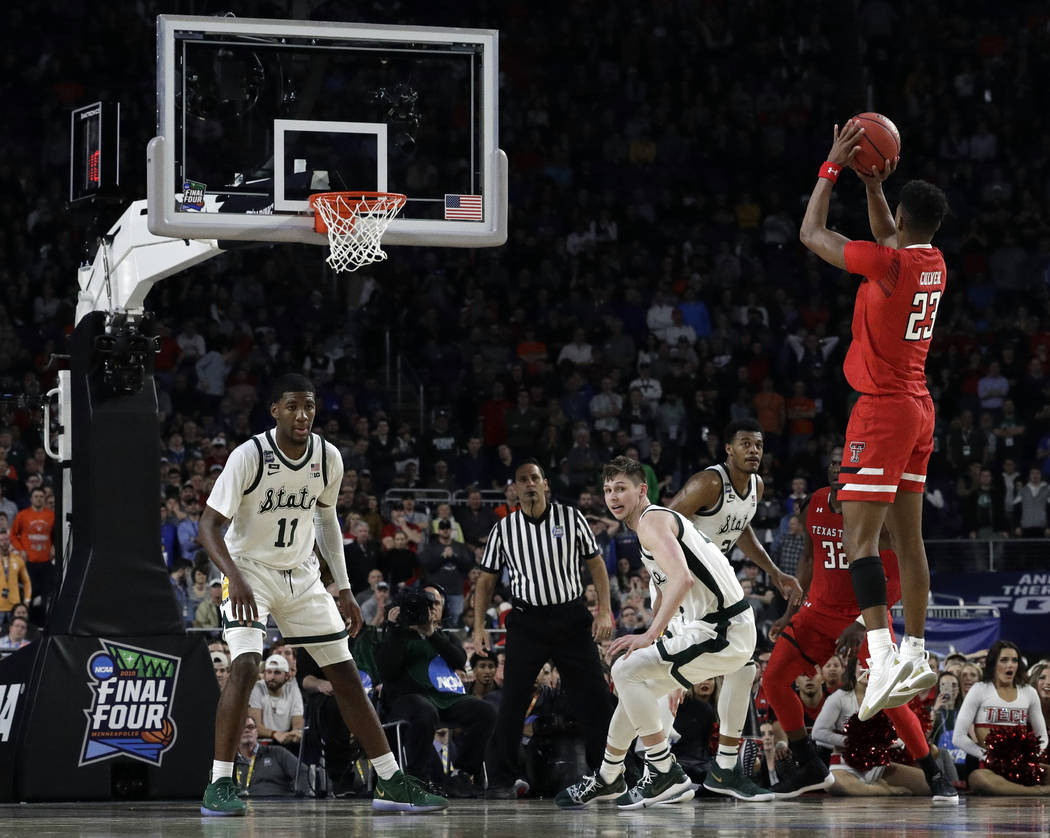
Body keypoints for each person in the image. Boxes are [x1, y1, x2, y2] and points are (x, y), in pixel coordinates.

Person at [197, 373, 445, 816]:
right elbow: (208, 527)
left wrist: (345, 589)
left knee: (346, 675)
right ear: (275, 410)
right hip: (249, 571)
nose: (302, 415)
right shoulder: (249, 455)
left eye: (309, 406)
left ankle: (389, 780)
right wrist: (234, 577)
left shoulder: (328, 457)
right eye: (292, 406)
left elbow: (328, 523)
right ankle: (220, 782)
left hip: (303, 576)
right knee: (247, 663)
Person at [799, 121, 950, 721]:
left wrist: (832, 167)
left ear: (905, 219)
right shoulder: (931, 261)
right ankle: (915, 650)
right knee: (907, 541)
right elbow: (891, 234)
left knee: (862, 538)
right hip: (919, 409)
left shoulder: (887, 266)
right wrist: (873, 187)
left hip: (883, 410)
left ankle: (882, 654)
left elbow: (810, 232)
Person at [554, 456, 772, 809]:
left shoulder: (652, 520)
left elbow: (682, 579)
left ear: (641, 490)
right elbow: (667, 589)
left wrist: (649, 636)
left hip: (722, 627)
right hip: (715, 627)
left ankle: (663, 770)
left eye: (621, 488)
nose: (612, 497)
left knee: (626, 669)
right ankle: (610, 776)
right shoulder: (653, 524)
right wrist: (667, 660)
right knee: (634, 679)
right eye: (607, 490)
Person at [764, 447, 957, 802]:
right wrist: (790, 613)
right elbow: (809, 557)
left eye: (846, 462)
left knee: (891, 700)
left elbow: (899, 576)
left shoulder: (875, 515)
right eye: (834, 461)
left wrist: (860, 622)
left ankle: (933, 773)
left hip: (866, 618)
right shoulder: (816, 503)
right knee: (773, 680)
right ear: (828, 469)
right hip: (816, 612)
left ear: (858, 470)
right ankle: (808, 764)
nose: (839, 467)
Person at [474, 459, 614, 798]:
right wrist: (479, 625)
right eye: (523, 480)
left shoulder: (571, 518)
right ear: (515, 489)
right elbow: (485, 581)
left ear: (545, 483)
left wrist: (605, 611)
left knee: (594, 696)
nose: (530, 484)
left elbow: (596, 565)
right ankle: (503, 779)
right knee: (512, 701)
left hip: (571, 617)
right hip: (527, 621)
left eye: (535, 477)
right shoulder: (504, 529)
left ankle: (608, 773)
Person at [667, 418, 803, 607]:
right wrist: (667, 576)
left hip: (713, 569)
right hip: (683, 573)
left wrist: (774, 571)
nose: (754, 450)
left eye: (759, 445)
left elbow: (739, 528)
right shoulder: (709, 483)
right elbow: (659, 524)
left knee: (742, 622)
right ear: (729, 449)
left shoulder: (757, 485)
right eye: (745, 444)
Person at [377, 585, 495, 795]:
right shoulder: (397, 634)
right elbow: (388, 671)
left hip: (446, 699)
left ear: (442, 609)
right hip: (407, 699)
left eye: (435, 604)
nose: (429, 609)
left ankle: (462, 773)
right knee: (424, 710)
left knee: (485, 711)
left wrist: (431, 633)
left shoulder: (444, 636)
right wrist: (395, 629)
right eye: (424, 604)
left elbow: (459, 659)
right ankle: (416, 779)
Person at [813, 655, 931, 796]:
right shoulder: (839, 698)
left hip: (879, 765)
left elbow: (901, 737)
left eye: (871, 665)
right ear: (852, 668)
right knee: (834, 785)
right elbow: (818, 732)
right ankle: (886, 791)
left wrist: (882, 743)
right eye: (860, 664)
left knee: (928, 785)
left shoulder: (890, 698)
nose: (866, 669)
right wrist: (852, 741)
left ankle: (873, 788)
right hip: (844, 766)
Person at [952, 640, 1050, 795]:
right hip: (990, 768)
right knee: (978, 778)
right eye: (1004, 660)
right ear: (993, 664)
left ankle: (1022, 790)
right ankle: (1036, 791)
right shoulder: (980, 689)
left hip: (1022, 766)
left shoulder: (1028, 692)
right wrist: (988, 756)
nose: (1010, 665)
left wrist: (1030, 757)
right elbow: (958, 737)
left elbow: (1042, 736)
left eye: (1014, 660)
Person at [10, 487, 54, 622]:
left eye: (41, 496)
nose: (39, 498)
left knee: (47, 595)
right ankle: (27, 623)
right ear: (31, 499)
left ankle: (47, 623)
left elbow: (56, 535)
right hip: (29, 562)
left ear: (44, 499)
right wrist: (21, 549)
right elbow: (13, 534)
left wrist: (54, 546)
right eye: (36, 496)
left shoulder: (51, 515)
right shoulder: (22, 515)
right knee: (30, 594)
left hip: (46, 562)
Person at [233, 718, 306, 798]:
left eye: (251, 727)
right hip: (243, 807)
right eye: (242, 727)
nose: (247, 730)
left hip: (278, 806)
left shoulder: (277, 752)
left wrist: (299, 798)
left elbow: (303, 772)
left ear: (256, 733)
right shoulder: (229, 761)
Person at [420, 520, 474, 626]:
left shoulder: (460, 546)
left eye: (447, 528)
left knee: (456, 621)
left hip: (456, 591)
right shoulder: (431, 546)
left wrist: (453, 556)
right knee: (435, 620)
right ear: (438, 530)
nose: (445, 531)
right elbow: (426, 566)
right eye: (442, 528)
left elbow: (467, 565)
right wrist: (443, 557)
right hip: (436, 592)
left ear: (451, 530)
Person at [248, 654, 305, 749]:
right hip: (262, 741)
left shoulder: (293, 689)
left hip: (286, 740)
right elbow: (254, 725)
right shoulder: (257, 688)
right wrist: (274, 734)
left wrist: (295, 733)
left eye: (277, 673)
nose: (272, 677)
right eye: (269, 672)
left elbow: (298, 722)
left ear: (287, 676)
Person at [0, 528, 31, 621]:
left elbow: (26, 582)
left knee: (16, 632)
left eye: (6, 539)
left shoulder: (18, 559)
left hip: (14, 606)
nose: (4, 542)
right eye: (1, 540)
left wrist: (27, 600)